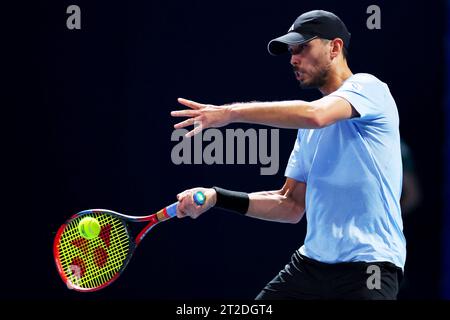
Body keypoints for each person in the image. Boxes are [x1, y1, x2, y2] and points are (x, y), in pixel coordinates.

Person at [171, 10, 405, 299]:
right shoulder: (307, 129)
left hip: (369, 268)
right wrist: (217, 196)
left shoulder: (369, 88)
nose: (294, 59)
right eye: (292, 52)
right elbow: (290, 204)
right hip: (310, 267)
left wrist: (230, 113)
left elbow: (316, 114)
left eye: (303, 48)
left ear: (335, 47)